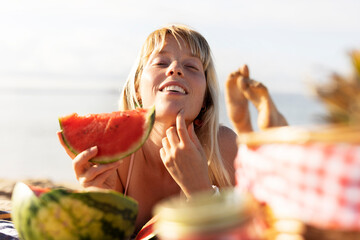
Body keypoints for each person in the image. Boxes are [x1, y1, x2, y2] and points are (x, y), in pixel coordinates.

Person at [58, 24, 287, 234]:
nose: (176, 69)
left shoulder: (224, 148)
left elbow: (262, 232)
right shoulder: (117, 157)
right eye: (160, 62)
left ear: (205, 98)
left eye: (191, 66)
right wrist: (97, 198)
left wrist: (201, 191)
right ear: (138, 89)